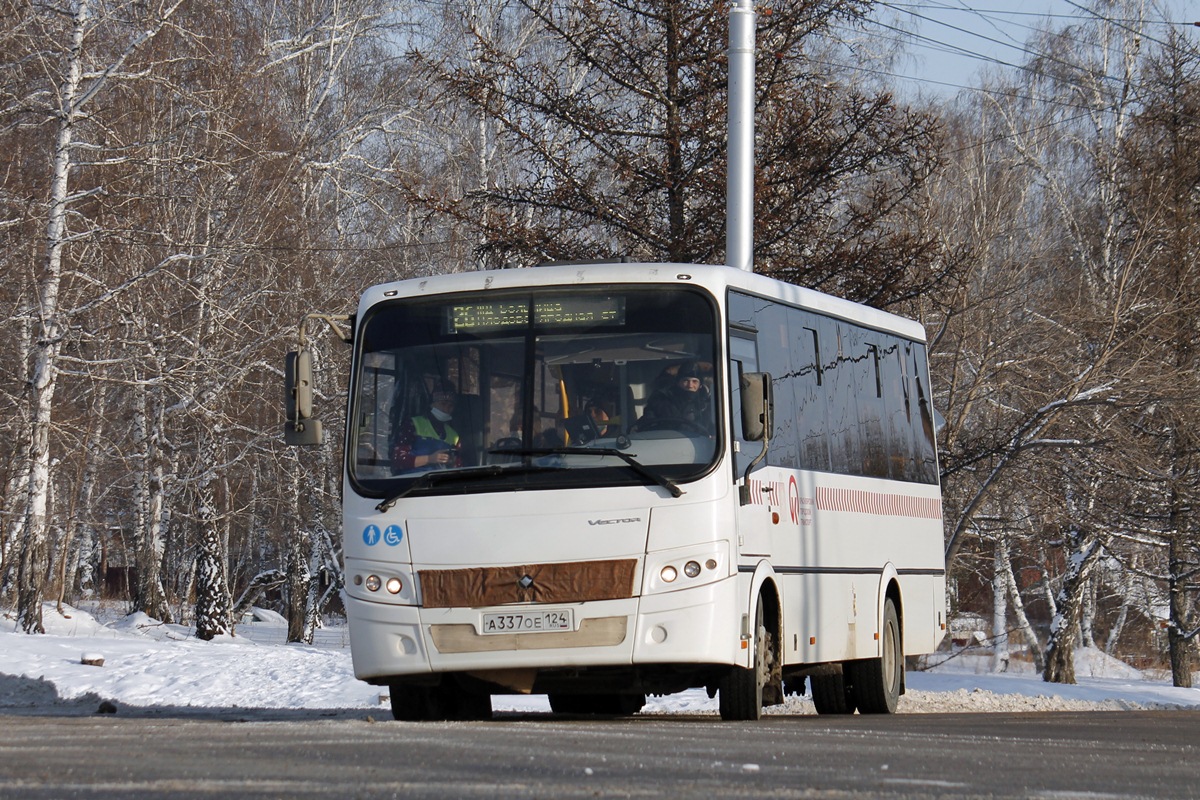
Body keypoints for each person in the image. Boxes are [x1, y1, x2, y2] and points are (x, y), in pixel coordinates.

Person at [390, 383, 462, 472]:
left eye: (450, 406)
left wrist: (452, 462)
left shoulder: (454, 436)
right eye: (443, 404)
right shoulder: (413, 425)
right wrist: (429, 459)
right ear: (432, 404)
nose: (446, 409)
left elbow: (458, 467)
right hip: (412, 482)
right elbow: (398, 460)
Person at [638, 361, 712, 432]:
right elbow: (647, 422)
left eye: (694, 381)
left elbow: (714, 429)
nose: (690, 385)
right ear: (678, 383)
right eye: (685, 381)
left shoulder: (707, 404)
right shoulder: (660, 400)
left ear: (700, 385)